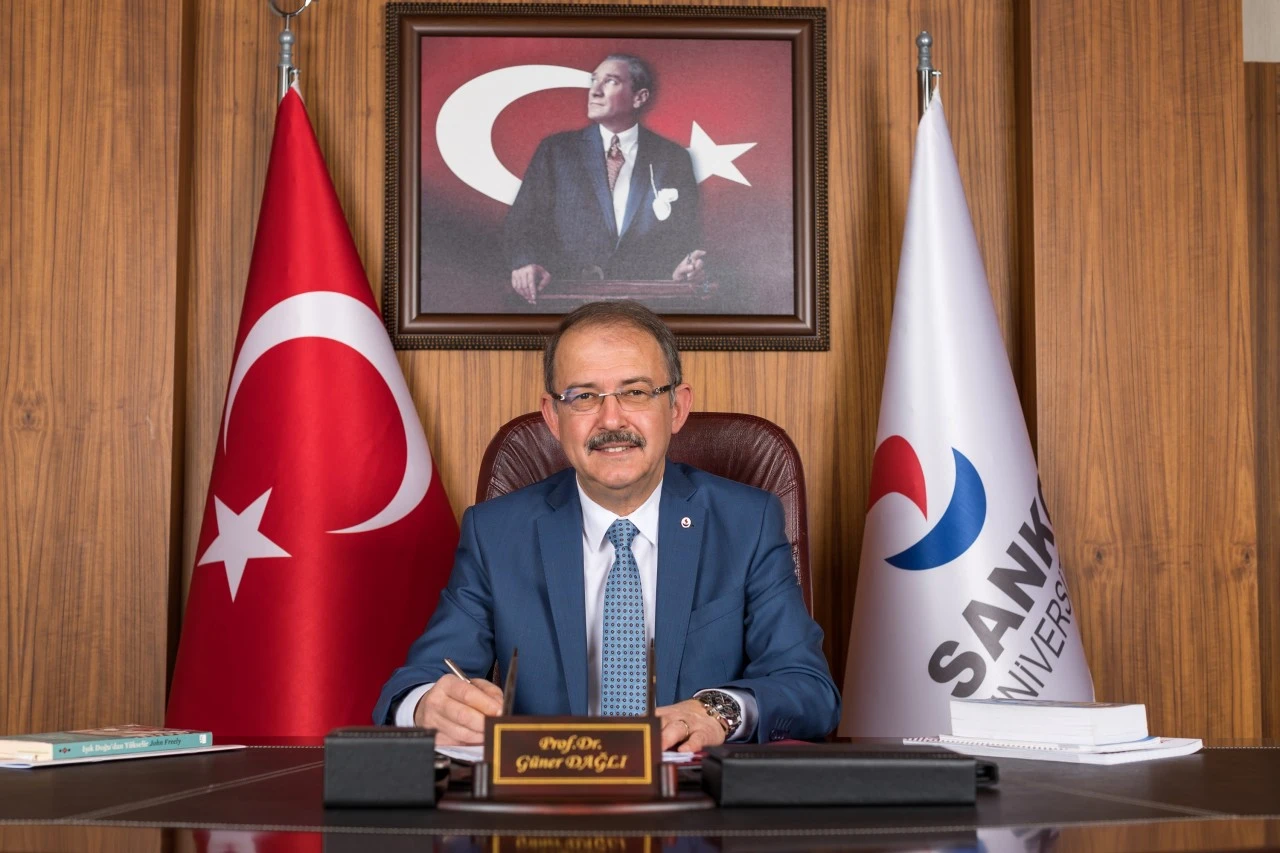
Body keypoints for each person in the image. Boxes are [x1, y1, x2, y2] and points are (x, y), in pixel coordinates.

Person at [373, 301, 840, 752]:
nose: (611, 419)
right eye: (583, 397)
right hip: (547, 793)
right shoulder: (495, 533)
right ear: (553, 417)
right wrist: (426, 707)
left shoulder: (747, 523)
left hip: (696, 793)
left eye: (635, 392)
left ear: (676, 407)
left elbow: (809, 688)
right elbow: (415, 684)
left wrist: (716, 712)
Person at [502, 55, 708, 304]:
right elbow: (522, 223)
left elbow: (685, 237)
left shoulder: (673, 158)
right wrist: (525, 262)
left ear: (639, 97)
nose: (594, 91)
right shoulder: (556, 151)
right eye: (594, 80)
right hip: (566, 301)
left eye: (610, 81)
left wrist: (683, 268)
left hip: (643, 305)